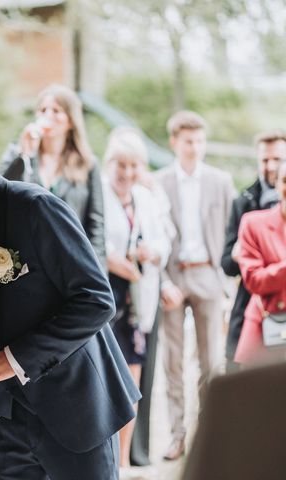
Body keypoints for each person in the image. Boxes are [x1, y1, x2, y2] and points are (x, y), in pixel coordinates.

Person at [0, 99, 140, 480]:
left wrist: (13, 358)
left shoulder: (36, 207)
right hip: (2, 423)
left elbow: (96, 301)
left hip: (73, 413)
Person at [154, 111, 237, 461]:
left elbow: (233, 232)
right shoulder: (158, 182)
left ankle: (209, 436)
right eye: (189, 141)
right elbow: (151, 232)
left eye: (200, 141)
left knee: (210, 362)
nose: (195, 147)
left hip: (208, 274)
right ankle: (178, 435)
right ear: (174, 142)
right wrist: (162, 281)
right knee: (173, 362)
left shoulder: (221, 180)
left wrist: (224, 281)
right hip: (173, 275)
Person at [102, 128, 171, 471]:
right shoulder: (98, 194)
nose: (127, 173)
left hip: (138, 301)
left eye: (134, 165)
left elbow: (164, 244)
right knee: (104, 385)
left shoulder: (146, 198)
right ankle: (106, 461)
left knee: (131, 385)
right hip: (105, 297)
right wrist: (112, 259)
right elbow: (88, 241)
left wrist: (150, 252)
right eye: (121, 164)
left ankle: (125, 462)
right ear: (109, 163)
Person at [0, 84, 106, 264]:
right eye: (43, 110)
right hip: (25, 259)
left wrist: (97, 272)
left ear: (71, 121)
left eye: (56, 111)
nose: (48, 115)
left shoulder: (87, 163)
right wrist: (23, 154)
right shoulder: (18, 152)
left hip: (70, 260)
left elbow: (96, 225)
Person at [130, 131, 177, 468]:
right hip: (126, 293)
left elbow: (165, 239)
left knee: (147, 375)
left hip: (150, 287)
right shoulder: (111, 188)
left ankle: (139, 449)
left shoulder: (151, 192)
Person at [221, 130, 285, 371]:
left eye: (277, 159)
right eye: (265, 160)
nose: (270, 166)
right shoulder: (244, 202)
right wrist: (244, 255)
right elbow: (227, 263)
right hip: (255, 306)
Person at [234, 157, 286, 365]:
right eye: (285, 180)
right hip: (265, 328)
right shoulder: (253, 223)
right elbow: (254, 280)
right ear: (277, 184)